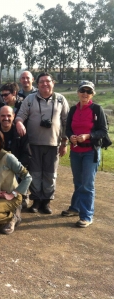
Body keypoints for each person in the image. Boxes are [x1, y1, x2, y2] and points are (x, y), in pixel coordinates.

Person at [15, 72, 69, 214]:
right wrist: (19, 123)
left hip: (53, 144)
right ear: (37, 84)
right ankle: (36, 201)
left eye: (48, 81)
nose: (45, 84)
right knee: (35, 173)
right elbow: (20, 115)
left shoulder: (61, 100)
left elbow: (66, 123)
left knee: (50, 174)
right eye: (42, 82)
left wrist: (64, 142)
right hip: (33, 143)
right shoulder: (30, 99)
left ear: (53, 83)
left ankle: (47, 202)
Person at [63, 81, 108, 228]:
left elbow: (103, 131)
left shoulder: (97, 109)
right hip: (76, 151)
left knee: (87, 185)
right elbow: (68, 129)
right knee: (78, 182)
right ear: (78, 92)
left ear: (92, 94)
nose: (85, 94)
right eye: (83, 90)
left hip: (91, 151)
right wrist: (70, 137)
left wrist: (88, 136)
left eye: (88, 91)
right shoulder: (73, 109)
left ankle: (86, 216)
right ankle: (75, 208)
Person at [0, 127, 32, 234]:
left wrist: (14, 193)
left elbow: (27, 177)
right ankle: (8, 215)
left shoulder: (8, 157)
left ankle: (13, 217)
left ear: (0, 141)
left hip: (12, 197)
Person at [0, 105, 31, 208]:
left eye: (8, 115)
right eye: (3, 116)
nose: (6, 118)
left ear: (14, 116)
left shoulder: (21, 133)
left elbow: (27, 154)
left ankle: (19, 195)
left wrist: (15, 167)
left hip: (16, 168)